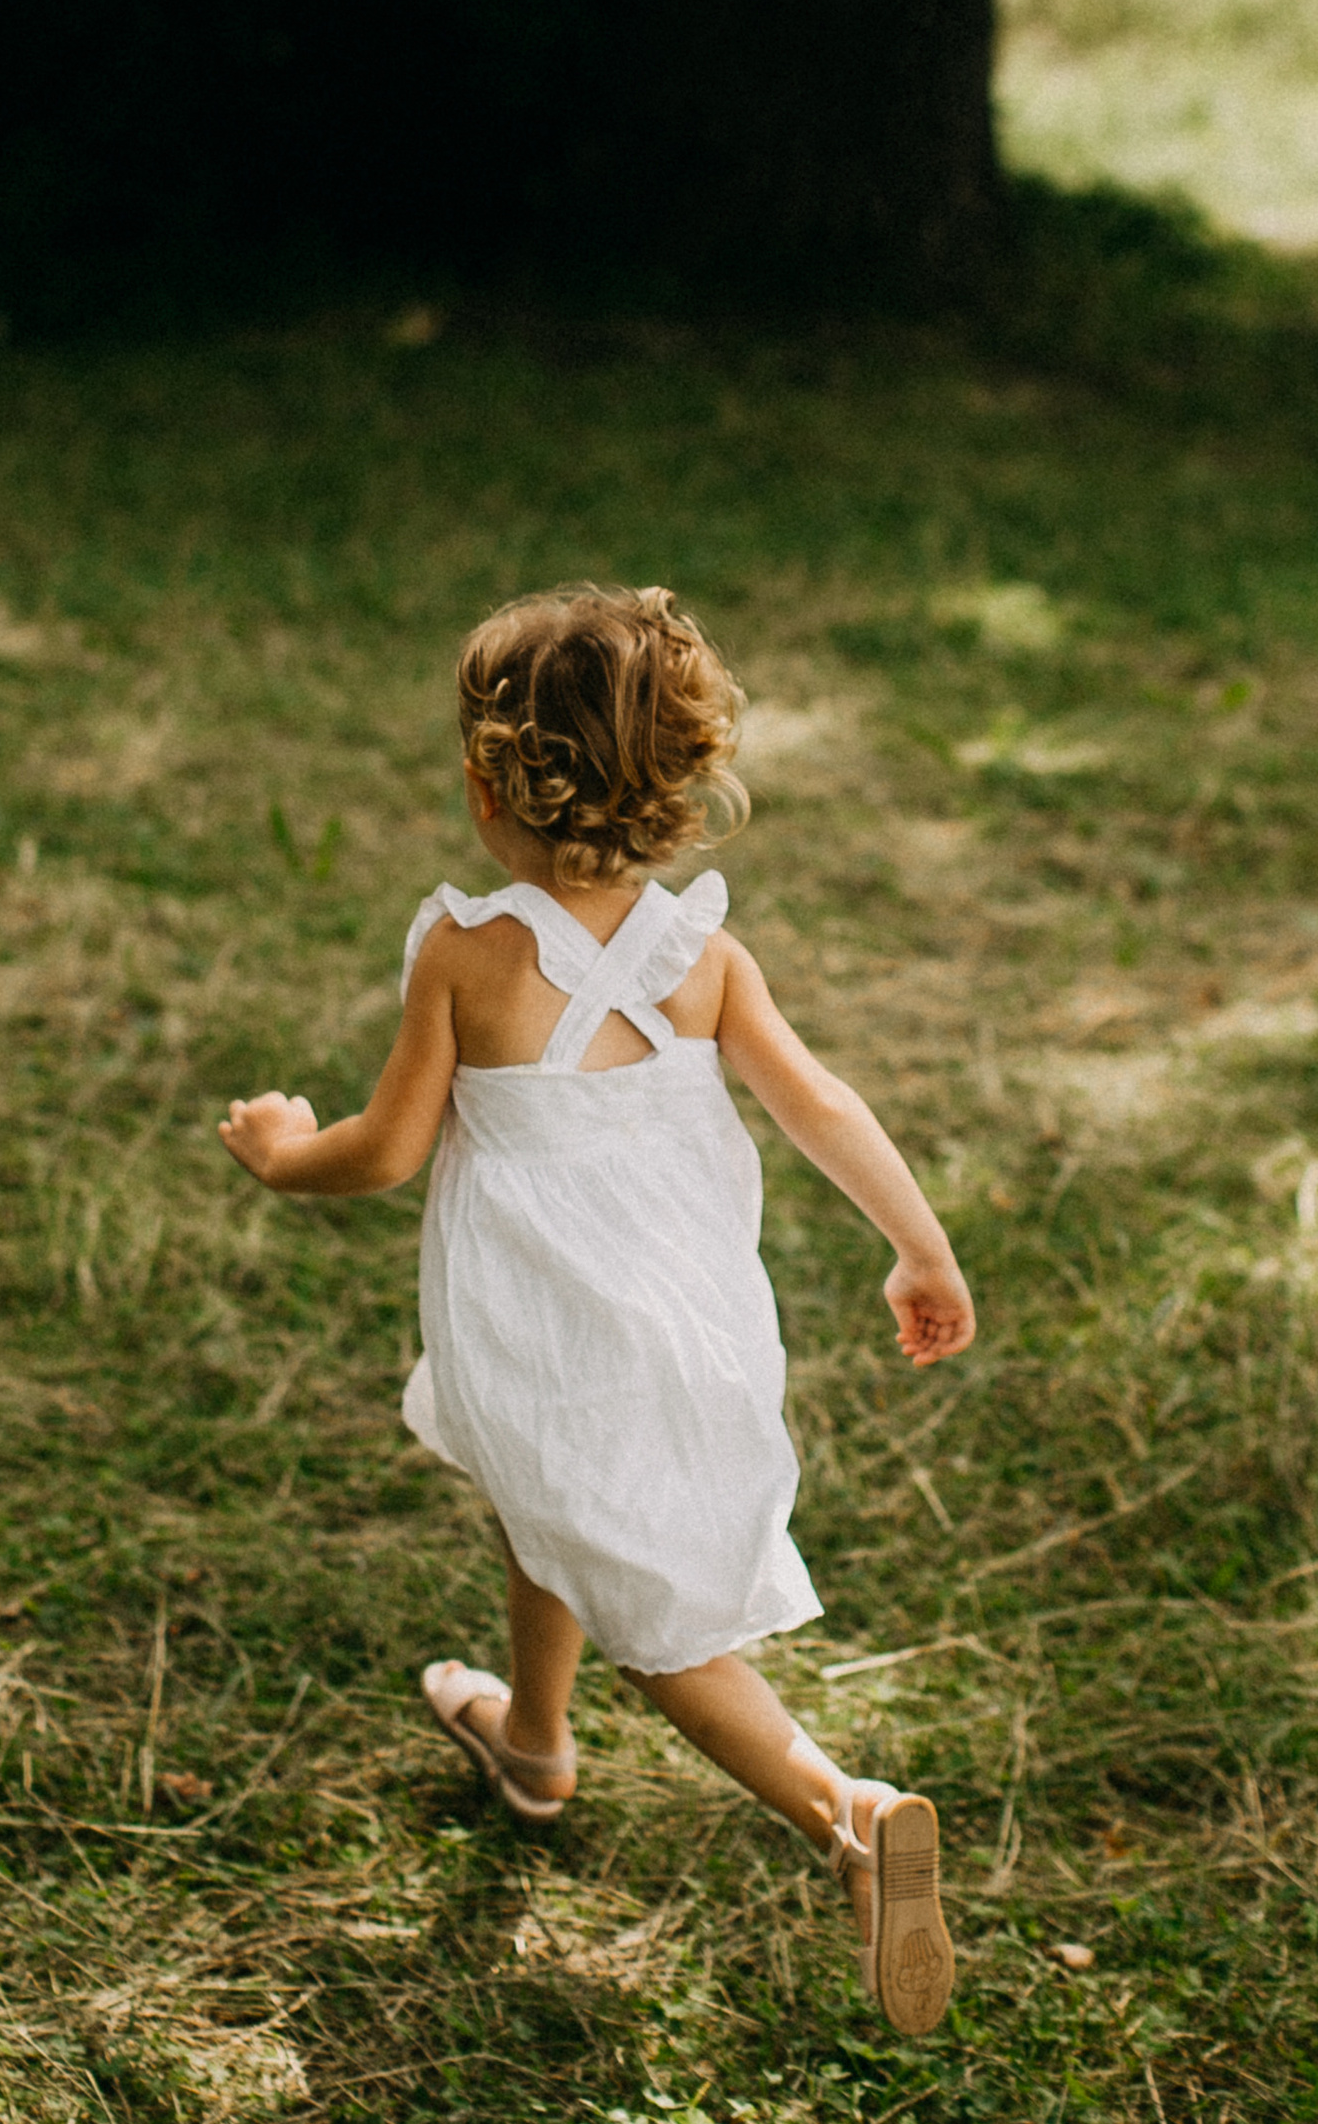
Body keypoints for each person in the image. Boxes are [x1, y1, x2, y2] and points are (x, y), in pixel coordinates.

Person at [217, 581, 976, 2033]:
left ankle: (845, 1816)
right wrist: (917, 1245)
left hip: (539, 1325)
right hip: (687, 1311)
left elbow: (380, 1152)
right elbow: (817, 1101)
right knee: (545, 1508)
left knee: (661, 1624)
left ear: (483, 784)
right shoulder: (702, 955)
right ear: (679, 785)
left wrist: (275, 1152)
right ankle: (536, 1742)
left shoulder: (466, 949)